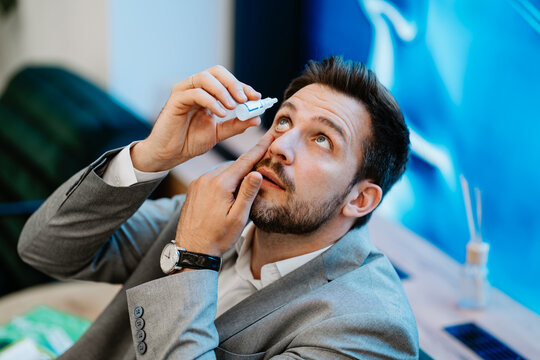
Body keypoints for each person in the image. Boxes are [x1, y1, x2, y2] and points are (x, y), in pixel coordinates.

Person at [19, 56, 418, 359]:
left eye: (322, 140)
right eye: (283, 122)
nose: (280, 146)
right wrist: (151, 156)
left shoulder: (369, 328)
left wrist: (194, 258)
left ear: (360, 199)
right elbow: (43, 247)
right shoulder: (214, 217)